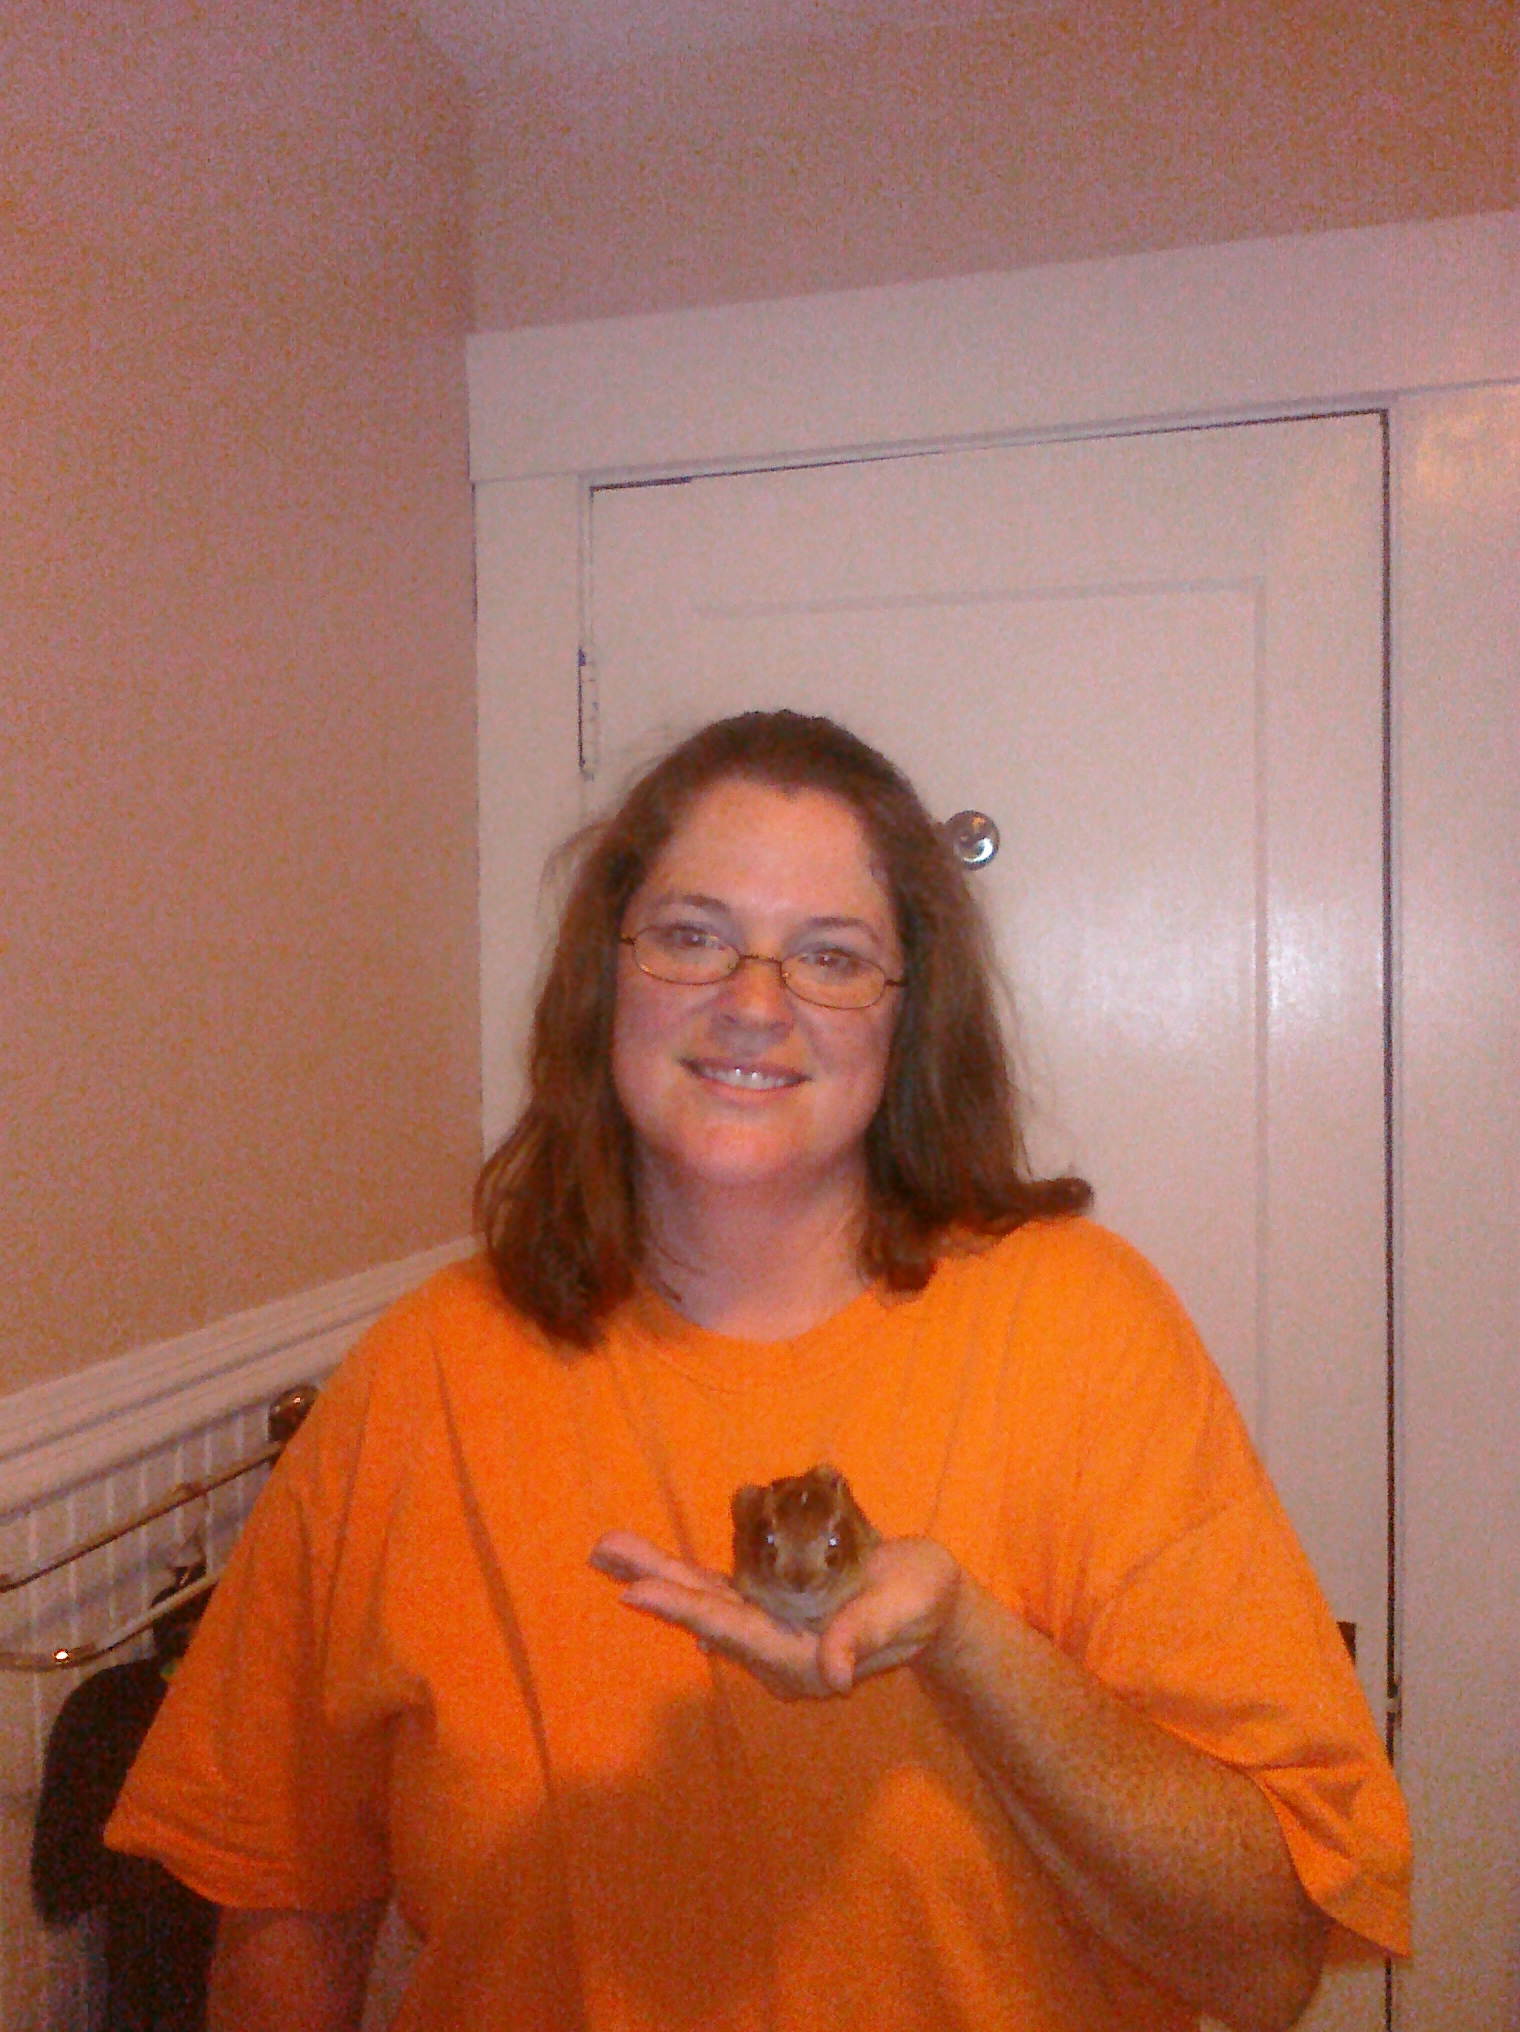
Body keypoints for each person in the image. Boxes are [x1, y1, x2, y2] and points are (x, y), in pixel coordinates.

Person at [107, 709, 1410, 2032]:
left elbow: (1264, 1961)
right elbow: (284, 1903)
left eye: (832, 957)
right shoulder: (423, 1376)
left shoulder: (1086, 1331)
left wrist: (966, 1645)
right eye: (691, 936)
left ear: (911, 1016)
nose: (752, 1003)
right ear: (606, 977)